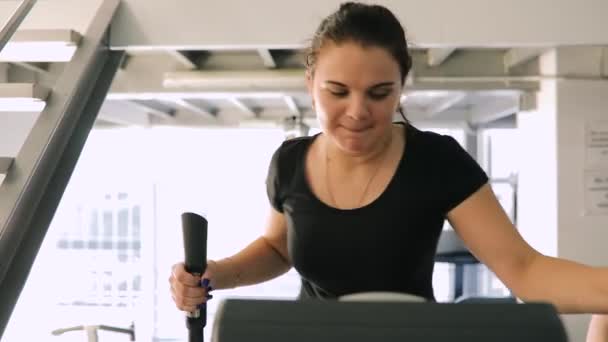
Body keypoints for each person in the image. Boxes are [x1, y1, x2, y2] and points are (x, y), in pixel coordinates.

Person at [170, 1, 608, 315]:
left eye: (380, 94)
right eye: (337, 92)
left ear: (402, 86)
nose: (358, 112)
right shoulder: (289, 162)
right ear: (310, 84)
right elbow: (276, 248)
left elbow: (525, 269)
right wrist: (213, 275)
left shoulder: (437, 162)